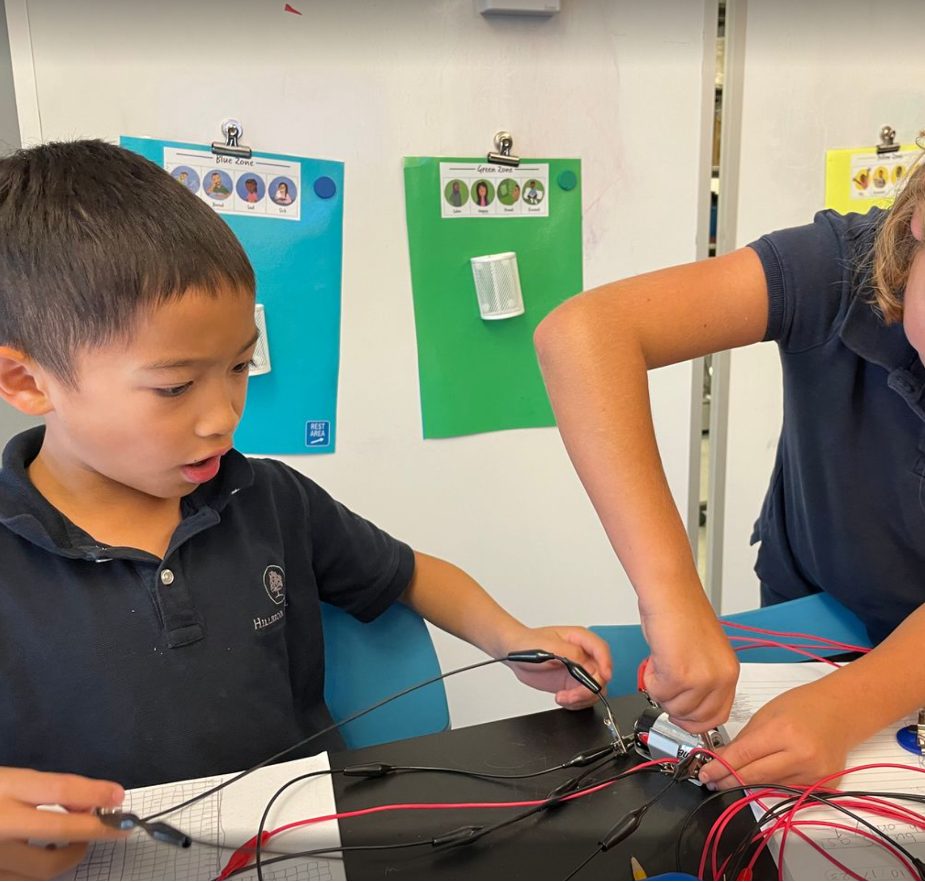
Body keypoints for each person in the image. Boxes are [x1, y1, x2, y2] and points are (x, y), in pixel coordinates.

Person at [534, 30, 925, 788]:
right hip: (807, 614)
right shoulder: (832, 270)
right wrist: (672, 596)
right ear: (924, 209)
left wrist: (846, 708)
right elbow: (584, 334)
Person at [0, 142, 612, 846]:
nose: (223, 415)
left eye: (238, 365)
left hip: (296, 846)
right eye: (174, 386)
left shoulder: (268, 498)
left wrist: (511, 637)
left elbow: (411, 573)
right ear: (26, 382)